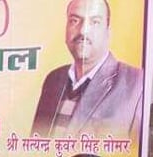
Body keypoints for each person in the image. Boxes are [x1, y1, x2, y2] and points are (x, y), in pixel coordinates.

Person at [30, 0, 143, 139]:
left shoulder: (137, 84)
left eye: (95, 22)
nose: (83, 30)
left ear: (108, 32)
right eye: (74, 21)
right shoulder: (53, 79)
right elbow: (36, 141)